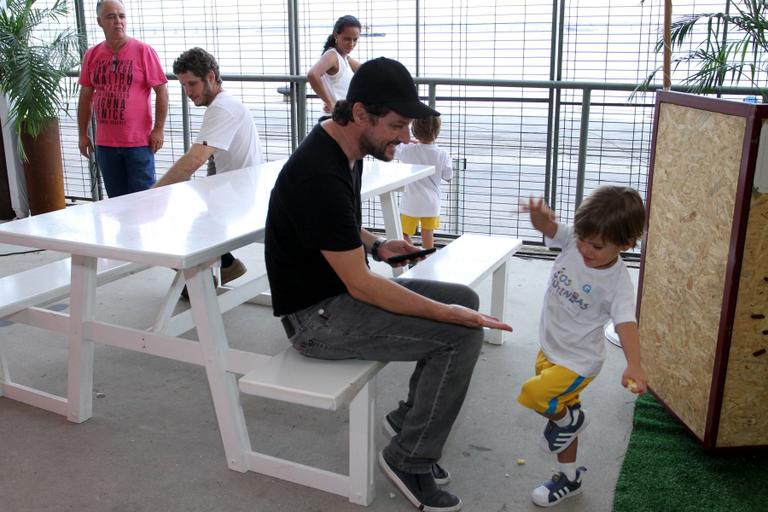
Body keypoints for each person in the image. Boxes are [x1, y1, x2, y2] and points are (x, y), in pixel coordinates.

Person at [264, 57, 511, 512]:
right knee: (459, 334)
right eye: (398, 126)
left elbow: (331, 226)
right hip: (315, 320)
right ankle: (408, 459)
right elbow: (362, 286)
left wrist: (376, 245)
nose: (406, 137)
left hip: (335, 293)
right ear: (360, 113)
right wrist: (447, 316)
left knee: (466, 298)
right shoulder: (319, 171)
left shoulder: (346, 147)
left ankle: (408, 419)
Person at [517, 186, 648, 508]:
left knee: (535, 395)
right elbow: (551, 230)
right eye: (581, 239)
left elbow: (626, 323)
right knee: (563, 417)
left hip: (578, 362)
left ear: (627, 244)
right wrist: (539, 220)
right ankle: (570, 477)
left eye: (597, 246)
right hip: (549, 349)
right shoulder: (575, 241)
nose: (585, 249)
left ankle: (569, 420)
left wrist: (634, 364)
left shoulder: (618, 283)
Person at [154, 47, 263, 289]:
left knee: (156, 226)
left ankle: (202, 282)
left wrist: (153, 194)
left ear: (211, 77)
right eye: (183, 86)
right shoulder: (225, 104)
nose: (187, 92)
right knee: (172, 216)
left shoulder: (221, 109)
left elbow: (194, 160)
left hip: (237, 200)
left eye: (192, 84)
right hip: (237, 193)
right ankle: (222, 267)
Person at [77, 0, 168, 197]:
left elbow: (161, 91)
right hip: (106, 144)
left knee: (144, 201)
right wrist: (83, 134)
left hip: (139, 143)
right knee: (116, 203)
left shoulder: (144, 51)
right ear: (99, 22)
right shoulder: (92, 55)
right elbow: (85, 97)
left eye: (121, 16)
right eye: (111, 17)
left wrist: (159, 129)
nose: (118, 21)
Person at [394, 116, 453, 249]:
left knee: (402, 233)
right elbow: (448, 176)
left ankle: (414, 254)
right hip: (432, 203)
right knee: (427, 233)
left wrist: (409, 142)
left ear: (414, 131)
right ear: (437, 131)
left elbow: (395, 146)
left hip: (411, 201)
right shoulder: (442, 153)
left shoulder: (408, 150)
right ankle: (427, 261)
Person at [306, 15, 362, 114]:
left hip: (343, 118)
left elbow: (366, 70)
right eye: (347, 39)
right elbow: (312, 74)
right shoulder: (332, 55)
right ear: (336, 35)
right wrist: (330, 103)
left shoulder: (344, 58)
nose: (351, 44)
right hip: (335, 120)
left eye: (355, 40)